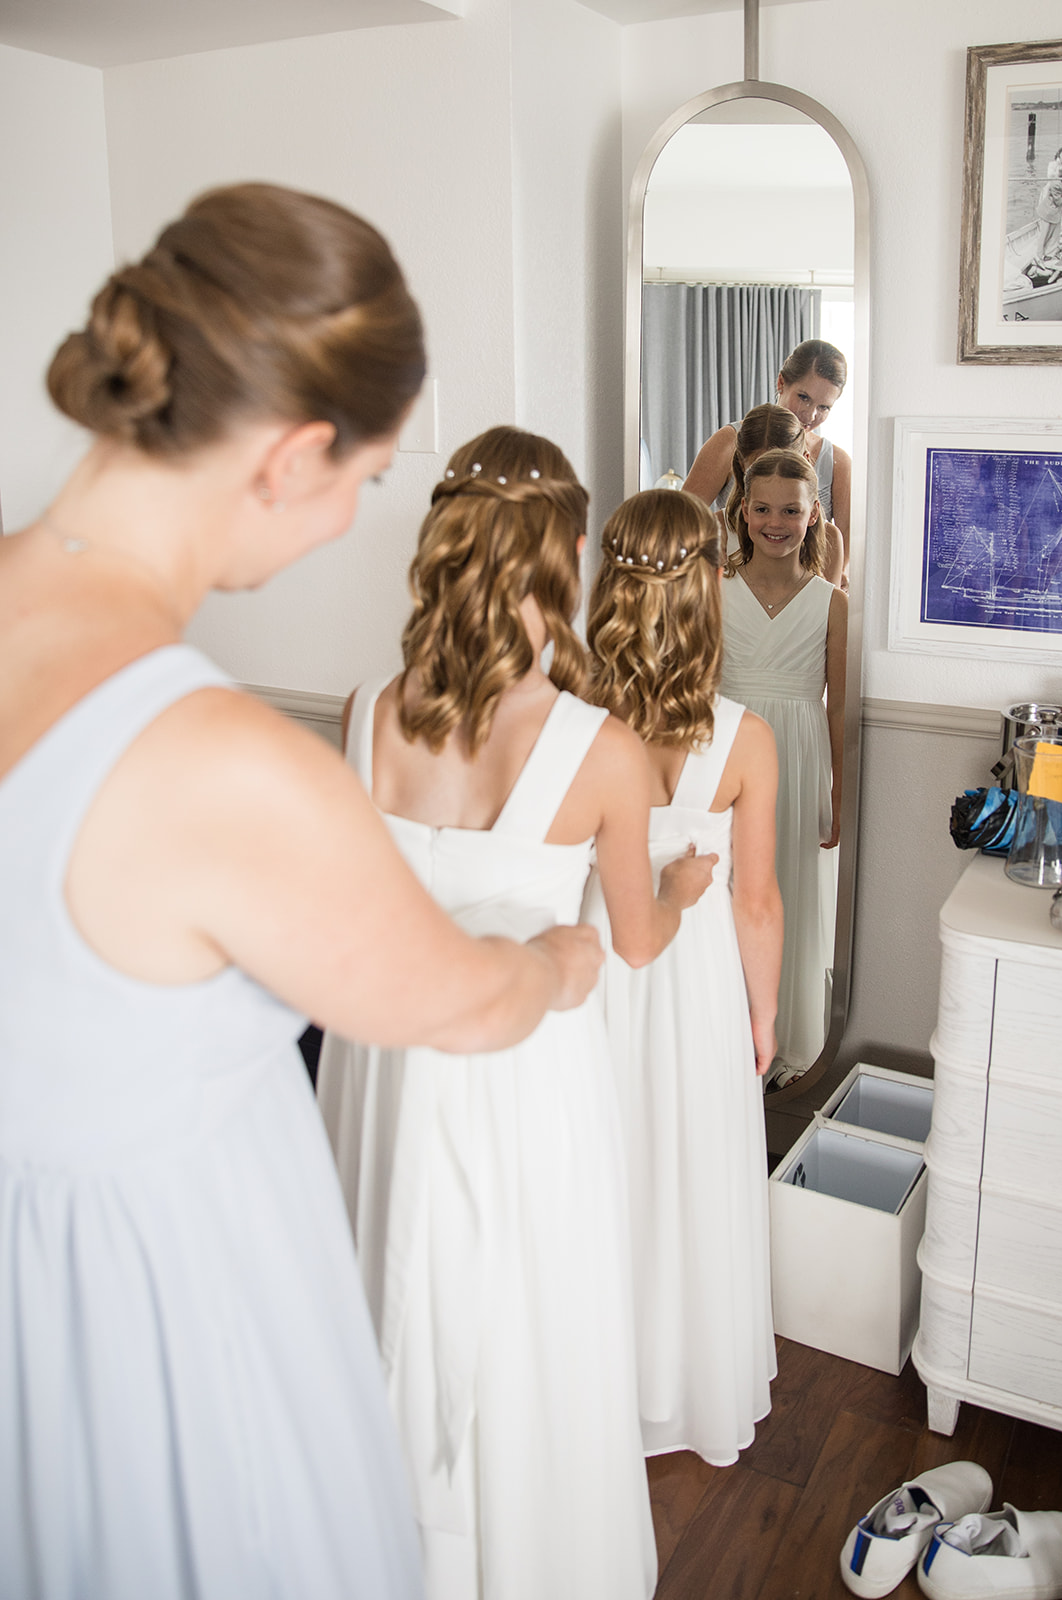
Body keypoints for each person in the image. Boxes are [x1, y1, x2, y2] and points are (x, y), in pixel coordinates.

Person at [0, 184, 605, 1600]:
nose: (348, 525)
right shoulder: (207, 757)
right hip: (159, 1313)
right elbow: (458, 1001)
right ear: (293, 453)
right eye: (367, 479)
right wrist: (561, 964)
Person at [316, 426, 715, 1600]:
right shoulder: (605, 751)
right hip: (526, 1073)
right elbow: (633, 944)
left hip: (385, 1054)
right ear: (567, 555)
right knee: (528, 1312)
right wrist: (685, 888)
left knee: (392, 1281)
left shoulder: (365, 715)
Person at [584, 487, 782, 1467]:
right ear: (710, 586)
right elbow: (755, 901)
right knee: (688, 1167)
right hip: (694, 977)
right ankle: (682, 1383)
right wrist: (764, 1013)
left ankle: (591, 1380)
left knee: (599, 1169)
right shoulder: (744, 739)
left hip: (596, 966)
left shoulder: (572, 720)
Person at [719, 450, 847, 1091]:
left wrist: (840, 796)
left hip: (796, 757)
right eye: (763, 508)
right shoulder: (712, 590)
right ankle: (722, 1029)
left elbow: (838, 710)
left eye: (791, 510)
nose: (776, 522)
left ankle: (784, 1038)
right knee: (728, 889)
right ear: (744, 513)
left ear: (812, 514)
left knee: (786, 889)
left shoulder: (831, 602)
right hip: (722, 755)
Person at [683, 338, 853, 578]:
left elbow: (845, 544)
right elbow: (681, 518)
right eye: (803, 397)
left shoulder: (838, 462)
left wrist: (827, 585)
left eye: (824, 407)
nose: (811, 414)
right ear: (781, 383)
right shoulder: (729, 441)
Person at [713, 402, 844, 586]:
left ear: (806, 461)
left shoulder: (830, 540)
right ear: (742, 464)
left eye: (787, 467)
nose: (775, 481)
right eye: (760, 468)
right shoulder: (715, 531)